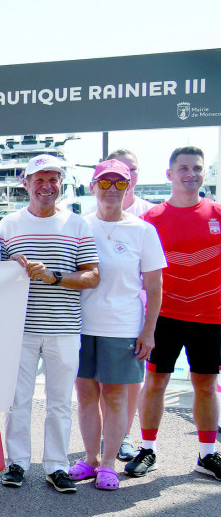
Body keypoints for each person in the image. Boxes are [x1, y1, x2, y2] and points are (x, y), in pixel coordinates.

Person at [0, 154, 99, 493]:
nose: (46, 186)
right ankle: (17, 462)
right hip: (18, 328)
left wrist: (56, 278)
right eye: (38, 179)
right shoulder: (8, 225)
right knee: (17, 399)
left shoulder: (77, 224)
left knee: (59, 401)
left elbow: (93, 275)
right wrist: (9, 263)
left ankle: (56, 466)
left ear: (61, 184)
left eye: (53, 179)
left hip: (64, 327)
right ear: (25, 184)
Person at [68, 160, 165, 491]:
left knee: (114, 397)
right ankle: (89, 460)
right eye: (104, 183)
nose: (111, 190)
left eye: (119, 184)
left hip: (122, 326)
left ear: (129, 188)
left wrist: (148, 331)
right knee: (84, 394)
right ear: (92, 187)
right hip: (81, 326)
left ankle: (108, 462)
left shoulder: (143, 231)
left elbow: (154, 286)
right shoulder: (79, 225)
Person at [130, 146, 221, 482]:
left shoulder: (217, 213)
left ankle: (207, 455)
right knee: (154, 383)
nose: (190, 174)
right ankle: (147, 448)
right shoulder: (151, 220)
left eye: (196, 168)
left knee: (206, 386)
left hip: (211, 317)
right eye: (183, 168)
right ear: (170, 175)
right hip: (164, 317)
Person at [102, 148, 154, 460]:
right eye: (120, 170)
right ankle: (108, 436)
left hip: (139, 313)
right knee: (101, 383)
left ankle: (124, 435)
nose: (127, 176)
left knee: (131, 383)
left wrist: (151, 326)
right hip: (103, 314)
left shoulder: (150, 214)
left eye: (131, 169)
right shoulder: (89, 214)